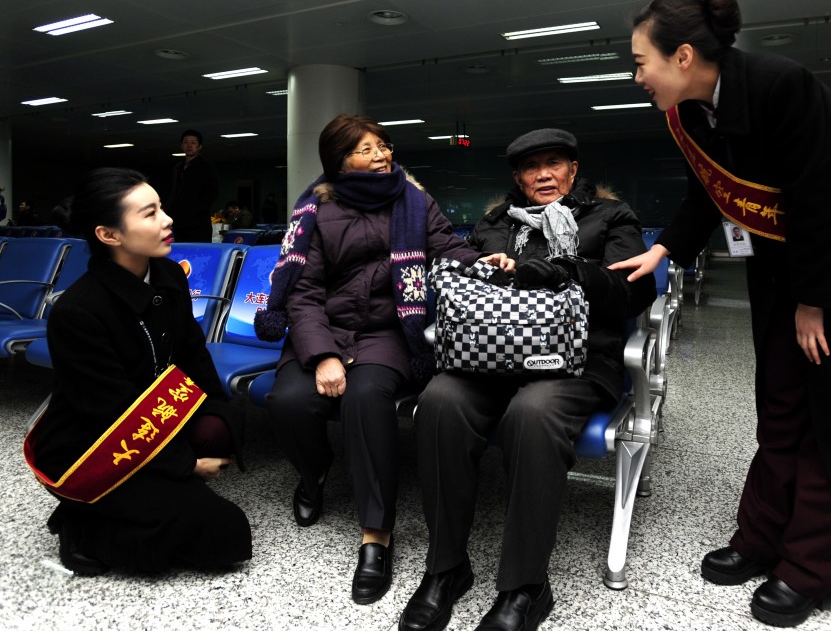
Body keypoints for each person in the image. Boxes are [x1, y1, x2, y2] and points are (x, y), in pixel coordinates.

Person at [611, 0, 831, 628]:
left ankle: (811, 572)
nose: (636, 75)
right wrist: (665, 251)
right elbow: (706, 198)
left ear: (682, 56)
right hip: (782, 276)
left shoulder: (783, 85)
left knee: (830, 421)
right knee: (781, 407)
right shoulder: (692, 114)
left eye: (639, 60)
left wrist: (815, 303)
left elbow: (822, 196)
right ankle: (760, 541)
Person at [398, 128, 656, 631]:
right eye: (532, 167)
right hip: (491, 357)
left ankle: (525, 586)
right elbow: (461, 275)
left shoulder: (610, 217)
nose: (544, 174)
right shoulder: (494, 223)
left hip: (576, 360)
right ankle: (446, 568)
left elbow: (631, 295)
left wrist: (569, 271)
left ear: (573, 170)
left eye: (554, 163)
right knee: (439, 401)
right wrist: (478, 268)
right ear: (517, 177)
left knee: (533, 413)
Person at [253, 114, 508, 606]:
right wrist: (323, 354)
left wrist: (483, 263)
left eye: (383, 145)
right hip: (323, 330)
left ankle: (376, 536)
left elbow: (446, 247)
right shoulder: (314, 211)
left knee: (367, 399)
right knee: (287, 400)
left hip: (385, 331)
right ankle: (316, 473)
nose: (380, 155)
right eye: (365, 149)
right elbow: (302, 294)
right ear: (339, 161)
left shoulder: (413, 200)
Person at [23, 168, 251, 576]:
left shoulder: (165, 275)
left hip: (155, 417)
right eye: (150, 213)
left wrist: (217, 409)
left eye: (161, 207)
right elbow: (107, 413)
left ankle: (125, 505)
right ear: (109, 235)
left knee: (219, 427)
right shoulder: (78, 311)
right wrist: (187, 466)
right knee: (224, 534)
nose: (167, 220)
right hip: (92, 442)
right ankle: (78, 522)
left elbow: (192, 352)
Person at [154, 129, 218, 242]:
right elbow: (172, 192)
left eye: (193, 143)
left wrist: (196, 211)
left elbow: (211, 193)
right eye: (186, 142)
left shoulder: (206, 167)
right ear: (182, 146)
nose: (189, 145)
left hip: (198, 223)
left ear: (199, 147)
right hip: (178, 222)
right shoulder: (177, 168)